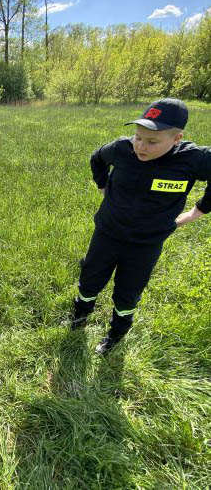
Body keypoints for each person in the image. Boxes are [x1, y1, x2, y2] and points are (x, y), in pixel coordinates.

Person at [71, 98, 211, 354]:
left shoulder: (193, 159)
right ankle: (79, 316)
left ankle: (115, 335)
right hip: (107, 233)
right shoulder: (122, 149)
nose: (141, 146)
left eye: (152, 141)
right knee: (90, 278)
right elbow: (97, 158)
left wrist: (198, 210)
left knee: (128, 292)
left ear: (176, 139)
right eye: (138, 137)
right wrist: (103, 185)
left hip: (146, 244)